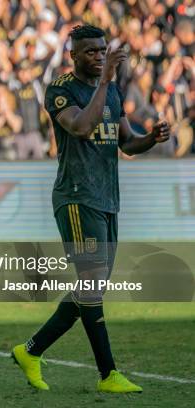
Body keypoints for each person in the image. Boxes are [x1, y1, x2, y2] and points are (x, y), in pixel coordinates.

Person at [11, 25, 169, 393]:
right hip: (77, 197)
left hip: (107, 199)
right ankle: (108, 374)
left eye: (102, 50)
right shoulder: (61, 90)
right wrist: (105, 83)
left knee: (90, 285)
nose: (98, 56)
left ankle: (30, 351)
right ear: (74, 55)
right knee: (92, 283)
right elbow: (81, 127)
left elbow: (127, 143)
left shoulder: (111, 90)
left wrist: (152, 138)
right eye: (91, 52)